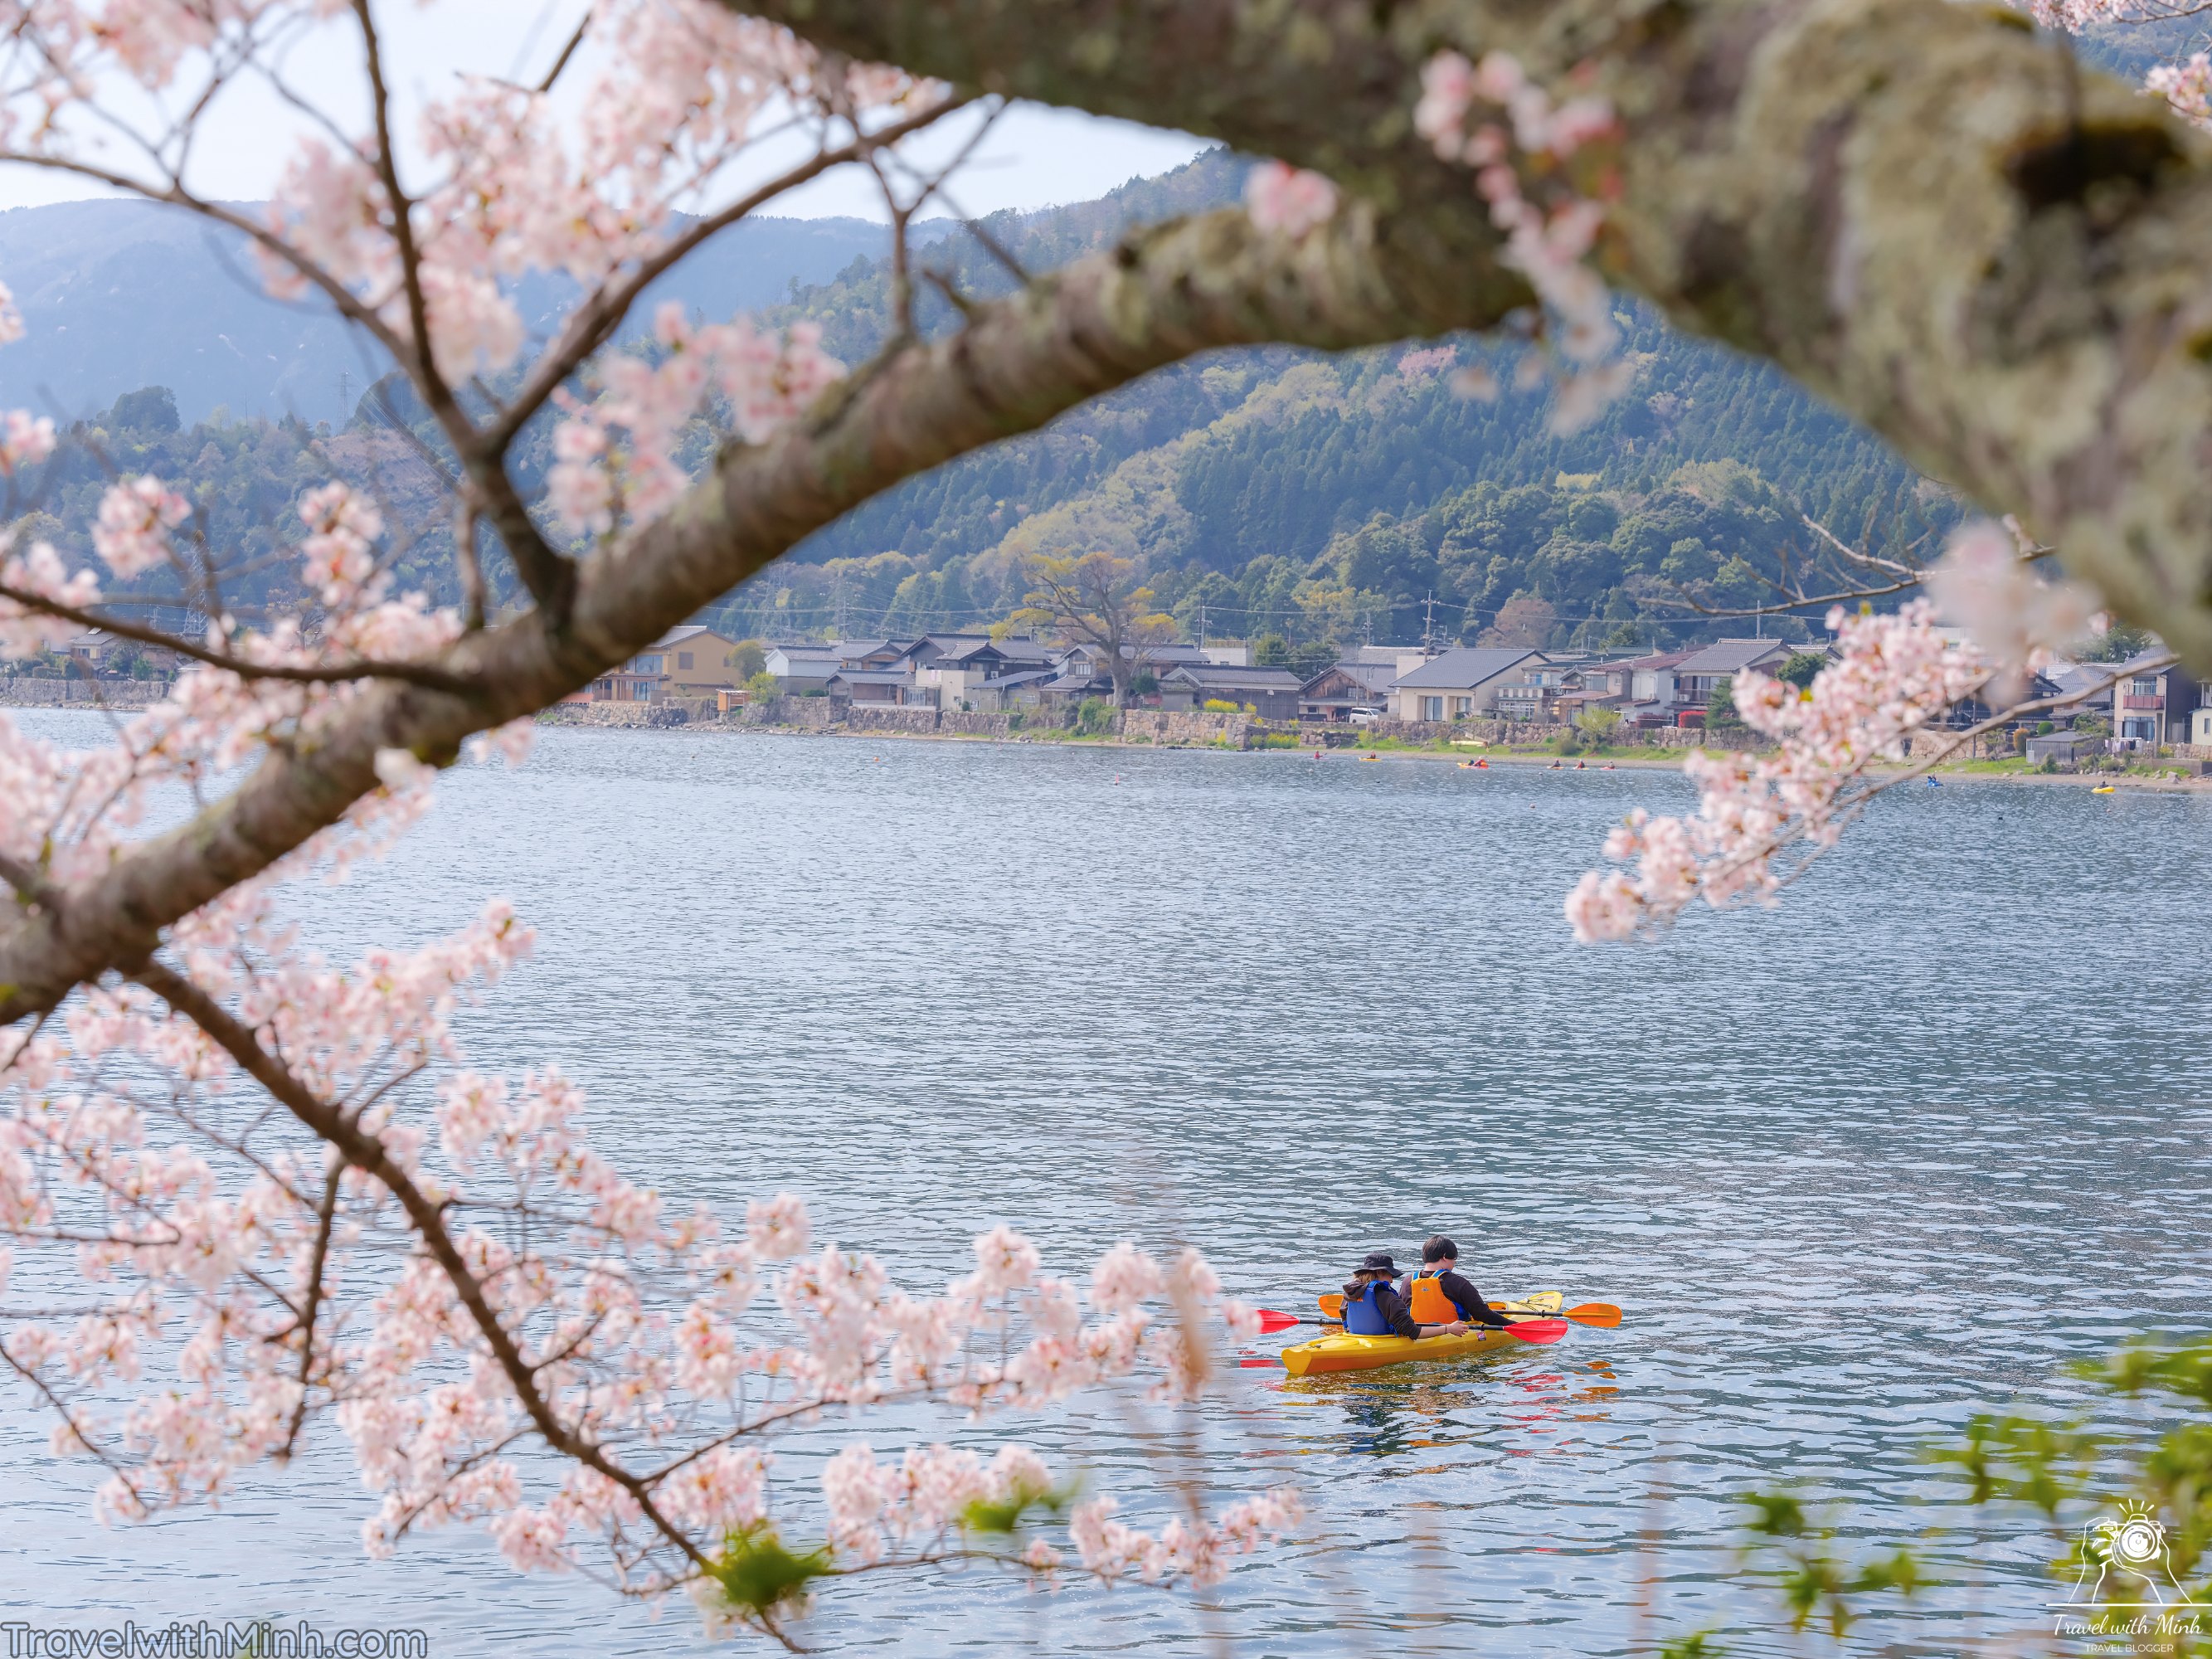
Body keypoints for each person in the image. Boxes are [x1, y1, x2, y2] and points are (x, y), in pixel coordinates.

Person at [1340, 1251, 1467, 1339]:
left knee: (1434, 1324)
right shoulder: (1386, 1296)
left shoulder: (1351, 1292)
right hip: (1385, 1342)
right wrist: (1449, 1329)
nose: (1391, 1280)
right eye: (1390, 1275)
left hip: (1356, 1338)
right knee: (1434, 1325)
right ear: (1379, 1273)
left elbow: (1345, 1319)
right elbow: (1413, 1332)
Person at [1410, 1235, 1510, 1328]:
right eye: (1454, 1258)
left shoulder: (1408, 1282)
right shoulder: (1458, 1283)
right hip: (1454, 1335)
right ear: (1445, 1257)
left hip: (1419, 1335)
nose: (1454, 1262)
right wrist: (1512, 1325)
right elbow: (1481, 1314)